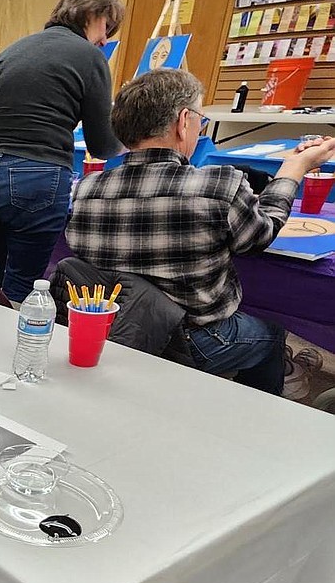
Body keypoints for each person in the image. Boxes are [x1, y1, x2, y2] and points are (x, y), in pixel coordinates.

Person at [67, 67, 335, 394]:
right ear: (183, 121)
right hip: (189, 339)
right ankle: (261, 410)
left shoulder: (87, 189)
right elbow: (259, 236)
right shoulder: (219, 184)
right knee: (273, 335)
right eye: (200, 119)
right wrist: (292, 171)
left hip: (110, 327)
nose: (199, 127)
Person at [0, 0, 123, 303]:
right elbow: (102, 145)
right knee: (21, 288)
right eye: (106, 27)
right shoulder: (90, 57)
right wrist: (128, 142)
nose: (105, 39)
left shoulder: (9, 52)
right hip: (37, 176)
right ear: (90, 12)